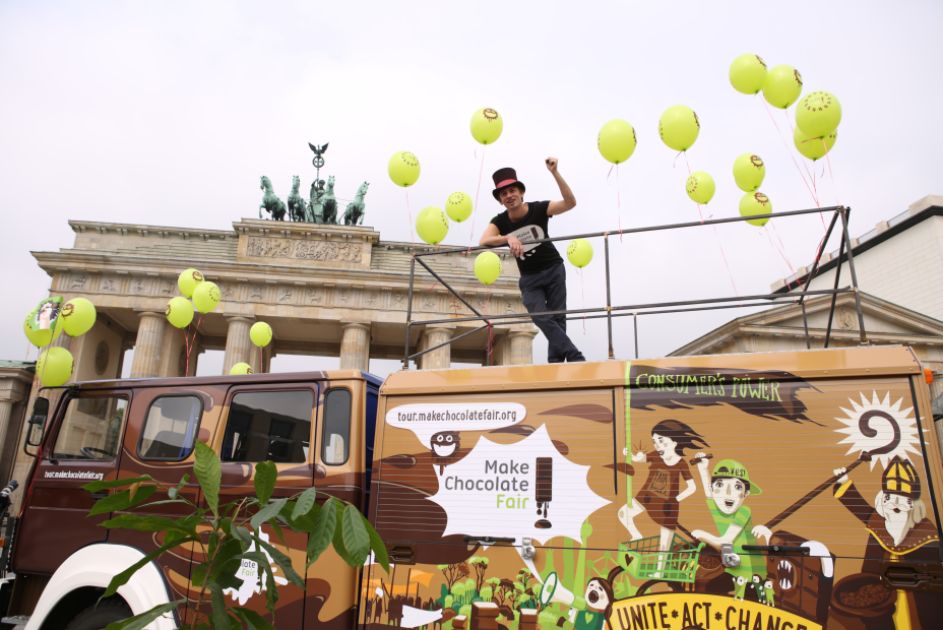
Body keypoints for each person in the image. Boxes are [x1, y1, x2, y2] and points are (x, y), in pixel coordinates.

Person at [479, 158, 584, 363]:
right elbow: (484, 240)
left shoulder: (539, 208)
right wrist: (507, 238)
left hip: (553, 268)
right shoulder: (500, 221)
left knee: (558, 318)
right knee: (540, 316)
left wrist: (555, 173)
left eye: (512, 191)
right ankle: (574, 355)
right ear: (500, 200)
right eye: (504, 194)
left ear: (521, 192)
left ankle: (555, 364)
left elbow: (570, 203)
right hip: (530, 278)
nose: (509, 196)